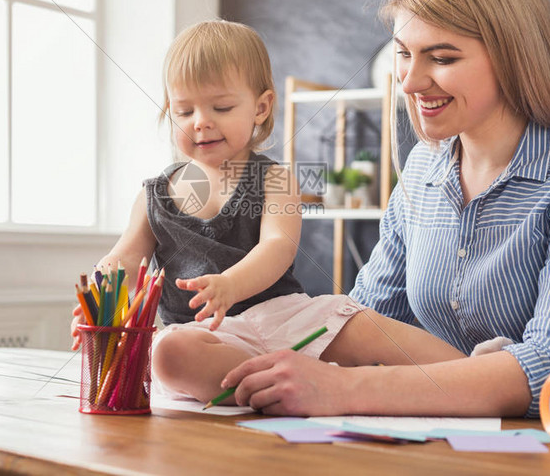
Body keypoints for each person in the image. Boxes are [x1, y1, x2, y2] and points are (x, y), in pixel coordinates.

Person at [220, 0, 550, 418]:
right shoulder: (423, 167)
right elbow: (369, 316)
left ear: (514, 55)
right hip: (463, 427)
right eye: (404, 53)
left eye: (442, 57)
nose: (410, 82)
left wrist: (344, 389)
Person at [70, 20, 418, 404]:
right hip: (204, 333)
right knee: (167, 356)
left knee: (364, 324)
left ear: (261, 107)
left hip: (281, 315)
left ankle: (470, 368)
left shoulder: (275, 180)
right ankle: (279, 388)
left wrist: (231, 284)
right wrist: (100, 300)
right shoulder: (153, 195)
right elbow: (126, 261)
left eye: (221, 107)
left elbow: (277, 247)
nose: (200, 121)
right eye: (184, 111)